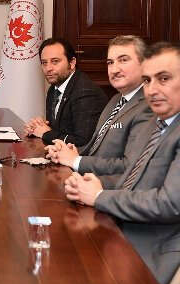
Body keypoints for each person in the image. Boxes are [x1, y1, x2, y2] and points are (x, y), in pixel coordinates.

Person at [64, 43, 180, 284]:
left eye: (164, 79)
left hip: (153, 250)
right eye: (147, 80)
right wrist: (92, 185)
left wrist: (100, 196)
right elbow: (134, 178)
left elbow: (169, 204)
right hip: (128, 229)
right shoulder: (164, 121)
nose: (152, 90)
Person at [46, 36, 153, 180]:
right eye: (110, 62)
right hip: (86, 176)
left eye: (123, 60)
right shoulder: (116, 99)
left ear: (144, 64)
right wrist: (69, 152)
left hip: (106, 186)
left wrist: (76, 161)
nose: (114, 69)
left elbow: (130, 166)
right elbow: (95, 148)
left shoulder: (149, 105)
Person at [24, 38, 107, 147]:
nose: (48, 68)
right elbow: (59, 130)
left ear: (72, 63)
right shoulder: (54, 89)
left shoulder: (85, 92)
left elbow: (83, 141)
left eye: (55, 61)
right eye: (44, 63)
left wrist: (45, 133)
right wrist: (37, 128)